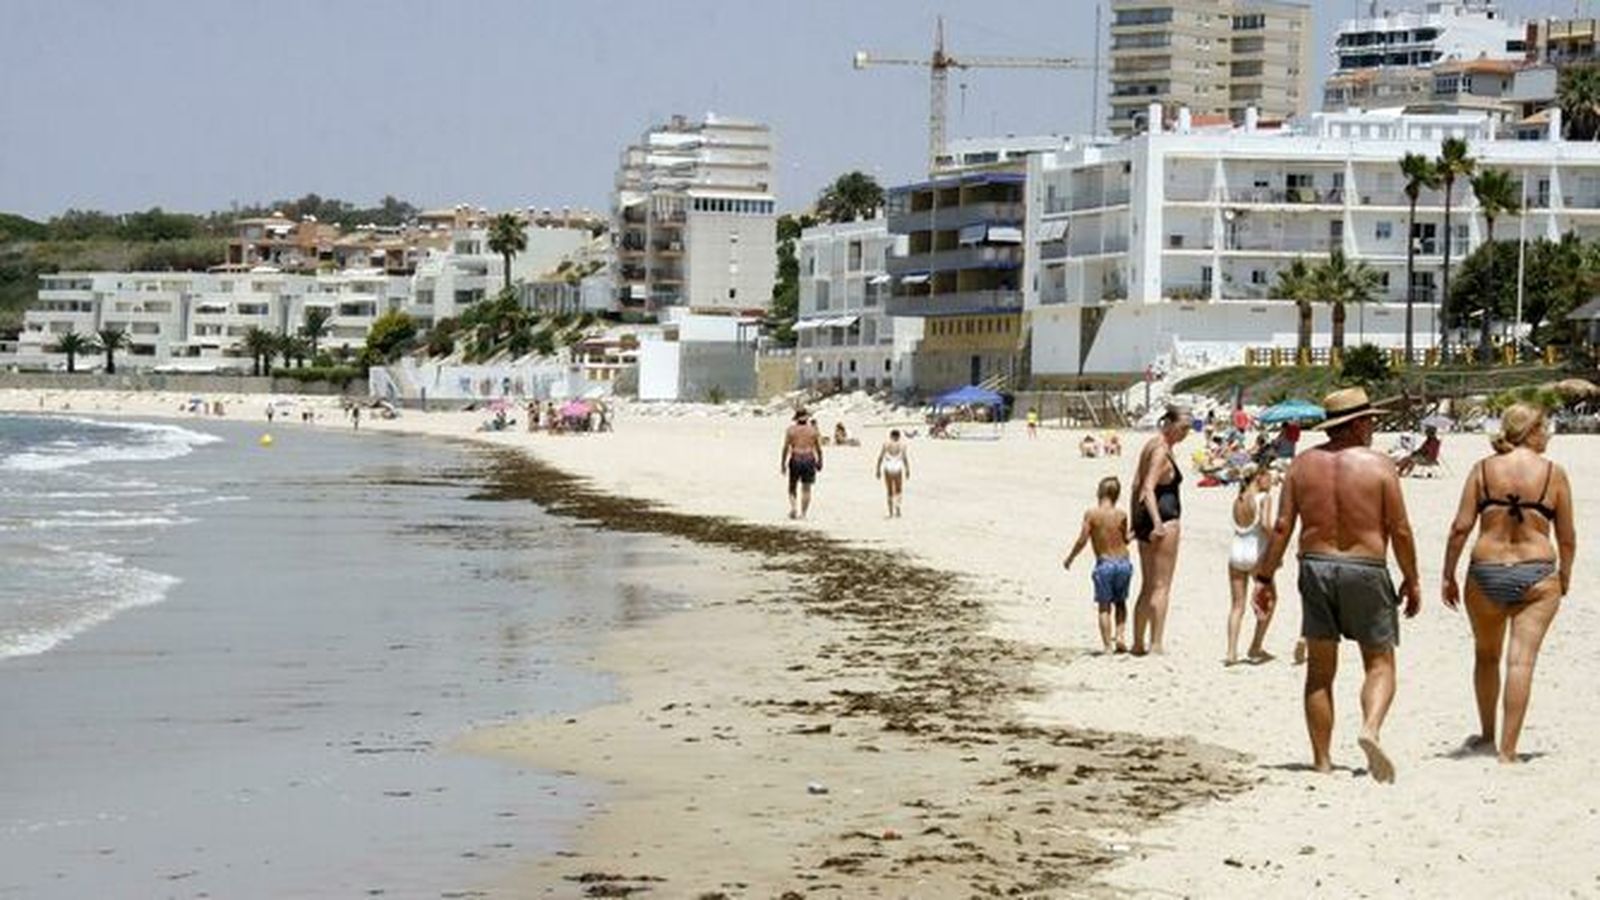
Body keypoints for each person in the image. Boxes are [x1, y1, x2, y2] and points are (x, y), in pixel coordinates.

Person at [1253, 387, 1421, 783]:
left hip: (1315, 566)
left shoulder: (1301, 466)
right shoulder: (1380, 467)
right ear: (1358, 423)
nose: (1374, 426)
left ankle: (1322, 761)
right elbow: (1400, 529)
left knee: (1320, 672)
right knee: (1379, 663)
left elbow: (1281, 526)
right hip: (1366, 566)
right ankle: (1371, 728)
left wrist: (1265, 576)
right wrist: (1411, 578)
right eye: (1371, 420)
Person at [1441, 403, 1575, 764]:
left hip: (1485, 570)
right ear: (1529, 431)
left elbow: (1459, 527)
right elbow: (1567, 536)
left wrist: (1448, 573)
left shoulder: (1483, 470)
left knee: (1486, 656)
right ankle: (1508, 751)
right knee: (1521, 663)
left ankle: (1486, 735)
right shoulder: (1553, 474)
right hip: (1537, 572)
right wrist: (1566, 574)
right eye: (1544, 427)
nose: (1547, 433)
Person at [1129, 404, 1191, 655]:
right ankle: (1155, 643)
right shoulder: (1161, 452)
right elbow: (1147, 488)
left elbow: (1135, 485)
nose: (1186, 433)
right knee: (1161, 585)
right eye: (1183, 427)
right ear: (1170, 424)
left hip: (1146, 522)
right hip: (1163, 521)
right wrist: (1156, 524)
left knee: (1147, 585)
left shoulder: (1151, 445)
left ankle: (1137, 642)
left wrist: (1136, 523)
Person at [1064, 476, 1134, 654]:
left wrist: (1070, 558)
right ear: (1117, 495)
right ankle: (1120, 636)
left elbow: (1083, 539)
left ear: (1099, 492)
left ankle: (1107, 647)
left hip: (1105, 564)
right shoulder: (1122, 515)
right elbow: (1125, 540)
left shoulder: (1092, 514)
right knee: (1121, 603)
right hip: (1124, 563)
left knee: (1104, 606)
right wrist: (1135, 533)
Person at [1226, 466, 1276, 665]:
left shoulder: (1238, 499)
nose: (1271, 484)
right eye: (1269, 479)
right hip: (1256, 555)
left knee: (1237, 606)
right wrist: (1276, 541)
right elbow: (1264, 524)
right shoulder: (1263, 498)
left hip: (1236, 553)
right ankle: (1256, 645)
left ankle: (1231, 651)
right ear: (1259, 477)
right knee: (1268, 601)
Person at [781, 409, 823, 520]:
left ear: (796, 419)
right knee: (806, 488)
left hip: (796, 458)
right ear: (807, 418)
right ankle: (803, 514)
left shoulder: (791, 430)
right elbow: (818, 448)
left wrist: (783, 464)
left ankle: (794, 507)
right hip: (809, 458)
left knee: (792, 486)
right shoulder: (813, 431)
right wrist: (820, 461)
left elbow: (786, 448)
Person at [874, 428, 911, 517]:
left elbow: (880, 457)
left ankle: (890, 512)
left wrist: (878, 469)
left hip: (888, 467)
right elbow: (905, 458)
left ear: (891, 436)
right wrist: (907, 470)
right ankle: (898, 509)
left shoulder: (886, 444)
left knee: (889, 490)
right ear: (899, 436)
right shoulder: (902, 445)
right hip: (897, 467)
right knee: (898, 489)